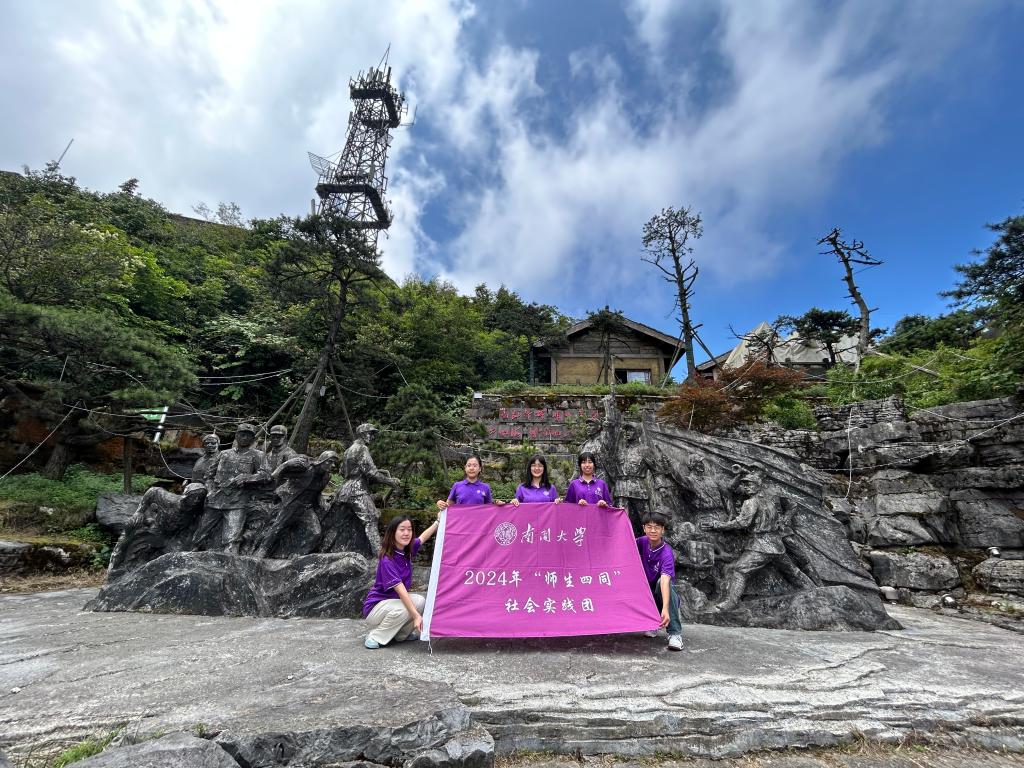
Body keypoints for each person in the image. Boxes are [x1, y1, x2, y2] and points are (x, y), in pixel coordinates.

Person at [363, 514, 439, 648]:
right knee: (406, 607)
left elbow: (422, 538)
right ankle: (375, 636)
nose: (406, 533)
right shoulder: (387, 559)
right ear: (393, 533)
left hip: (393, 603)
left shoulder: (406, 550)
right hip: (376, 607)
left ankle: (401, 634)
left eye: (409, 529)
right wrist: (416, 616)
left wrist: (438, 521)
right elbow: (402, 592)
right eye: (402, 529)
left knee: (420, 601)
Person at [637, 511, 683, 651]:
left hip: (662, 592)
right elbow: (622, 544)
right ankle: (652, 622)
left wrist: (665, 608)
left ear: (663, 530)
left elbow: (664, 580)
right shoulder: (641, 542)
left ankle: (675, 633)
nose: (653, 530)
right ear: (644, 528)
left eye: (657, 527)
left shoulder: (666, 552)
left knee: (661, 584)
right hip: (645, 592)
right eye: (649, 527)